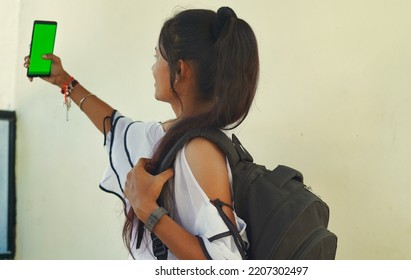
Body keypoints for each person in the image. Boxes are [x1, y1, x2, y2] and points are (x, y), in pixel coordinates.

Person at [24, 7, 259, 260]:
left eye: (157, 57)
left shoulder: (200, 151)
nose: (153, 67)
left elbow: (224, 266)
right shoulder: (173, 134)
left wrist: (147, 210)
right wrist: (65, 81)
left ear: (180, 71)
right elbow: (117, 127)